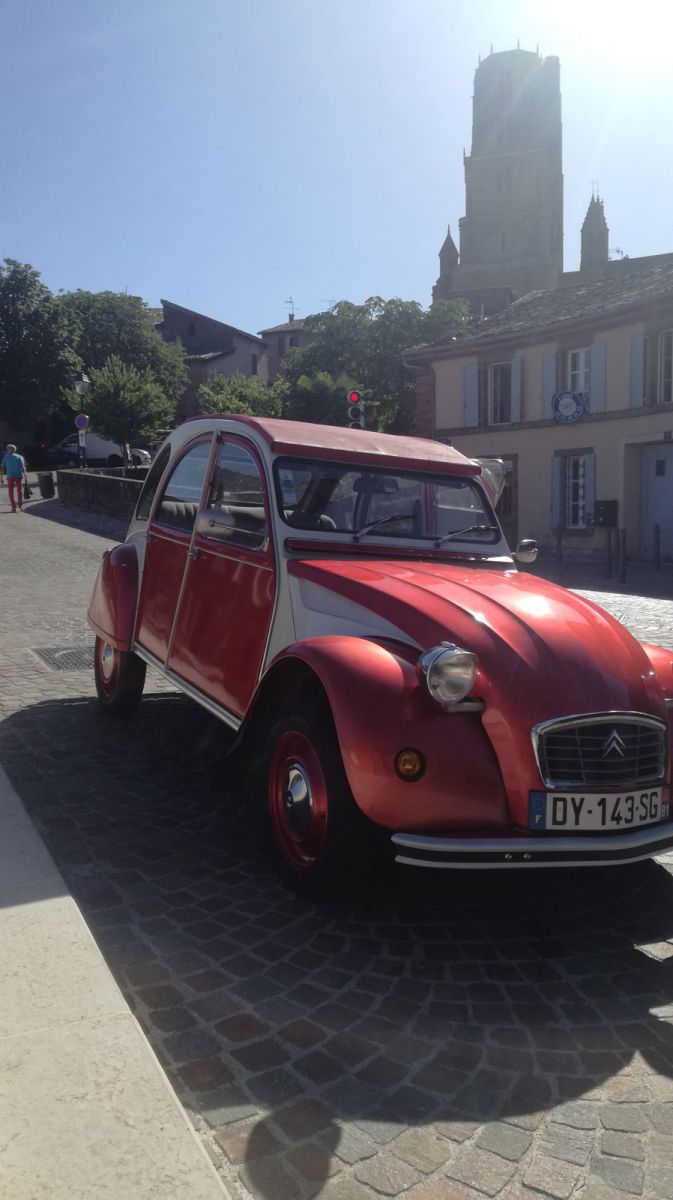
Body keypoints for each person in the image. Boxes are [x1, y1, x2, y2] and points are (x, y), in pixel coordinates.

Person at [0, 443, 28, 512]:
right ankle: (20, 506)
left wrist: (1, 478)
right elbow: (23, 468)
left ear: (10, 449)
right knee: (19, 491)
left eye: (7, 449)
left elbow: (2, 468)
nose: (7, 450)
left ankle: (13, 507)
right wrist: (26, 477)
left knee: (11, 492)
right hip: (18, 476)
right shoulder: (20, 457)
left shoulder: (5, 457)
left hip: (10, 476)